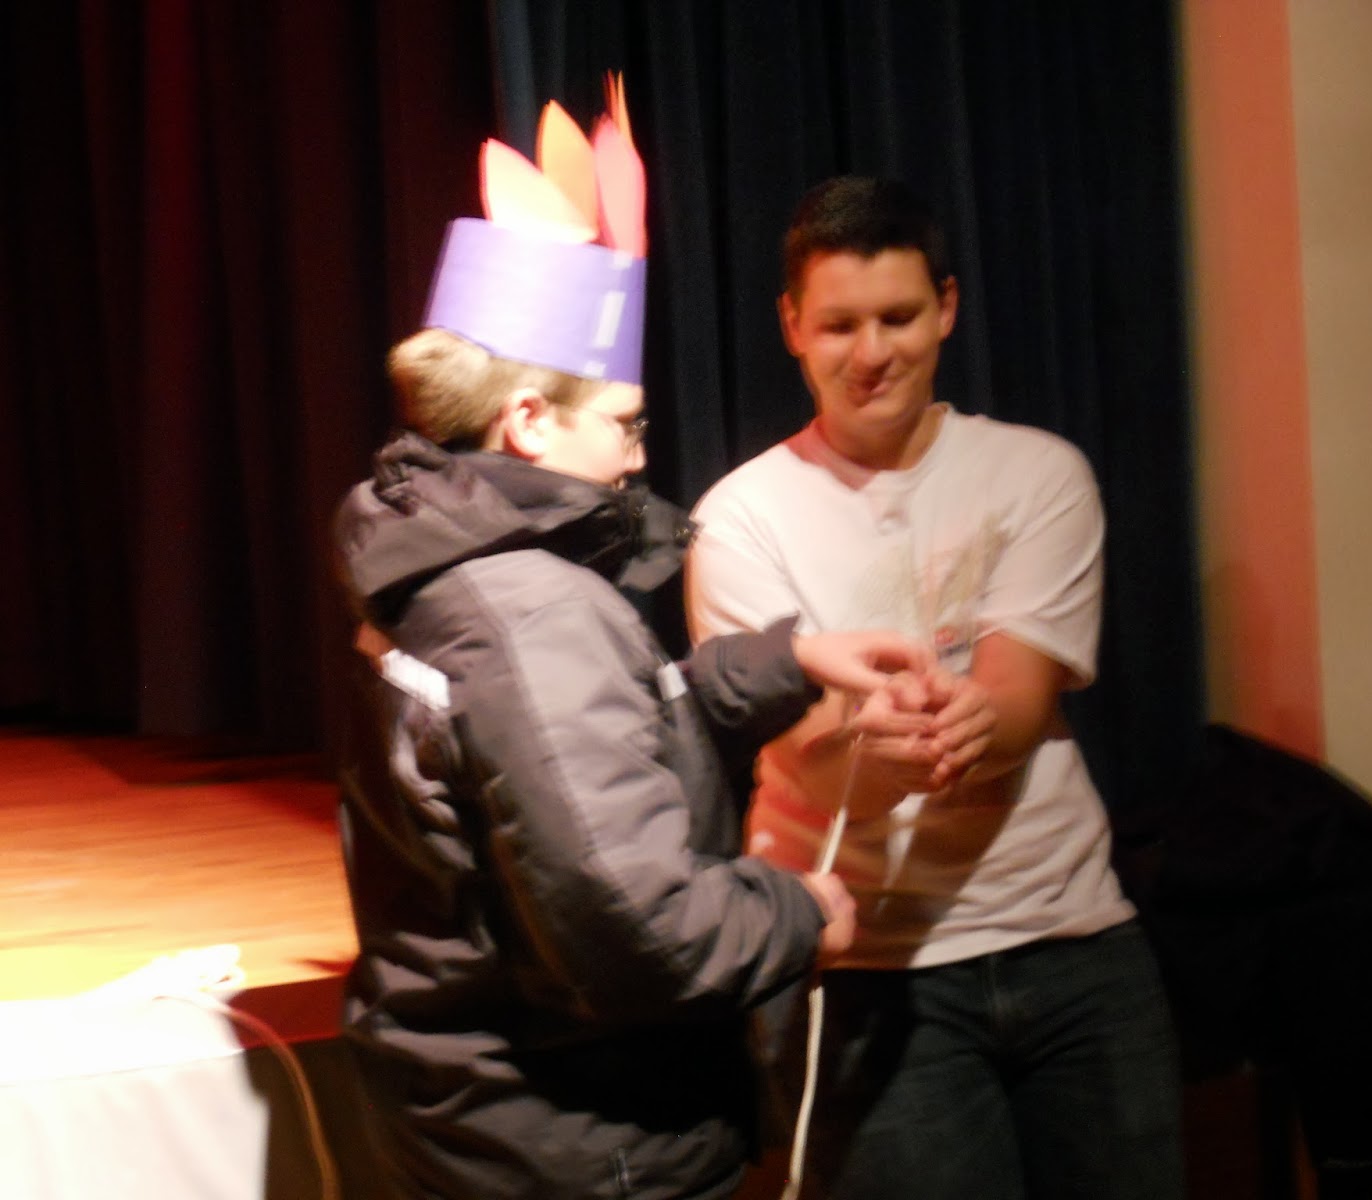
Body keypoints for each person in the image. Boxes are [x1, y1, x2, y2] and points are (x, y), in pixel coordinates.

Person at [332, 98, 938, 1200]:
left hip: (486, 1118)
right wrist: (801, 915)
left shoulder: (445, 570)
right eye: (624, 423)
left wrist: (787, 665)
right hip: (573, 1137)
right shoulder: (531, 614)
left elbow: (563, 757)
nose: (634, 458)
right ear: (529, 421)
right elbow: (637, 929)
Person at [685, 176, 1185, 1199]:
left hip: (1068, 938)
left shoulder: (1037, 473)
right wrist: (886, 750)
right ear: (792, 326)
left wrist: (965, 724)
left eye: (898, 317)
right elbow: (809, 758)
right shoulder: (740, 517)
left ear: (946, 308)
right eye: (840, 325)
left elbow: (1020, 699)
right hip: (866, 968)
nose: (871, 352)